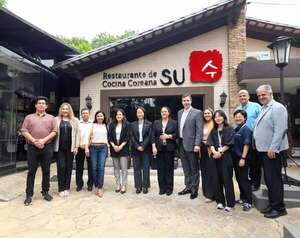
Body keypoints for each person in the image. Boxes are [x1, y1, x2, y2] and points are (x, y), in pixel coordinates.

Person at [253, 84, 288, 219]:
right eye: (259, 95)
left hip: (271, 151)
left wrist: (273, 148)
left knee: (274, 180)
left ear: (271, 94)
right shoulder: (264, 108)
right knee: (269, 179)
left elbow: (280, 130)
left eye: (264, 94)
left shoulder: (278, 108)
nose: (261, 97)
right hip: (263, 150)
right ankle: (273, 205)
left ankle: (279, 208)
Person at [21, 96, 57, 206]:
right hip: (32, 147)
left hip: (46, 147)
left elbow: (54, 131)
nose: (41, 104)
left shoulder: (52, 118)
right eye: (39, 103)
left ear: (46, 106)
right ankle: (29, 194)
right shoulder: (29, 117)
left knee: (46, 170)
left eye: (43, 103)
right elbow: (24, 130)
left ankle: (45, 192)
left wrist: (43, 141)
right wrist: (34, 141)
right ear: (36, 105)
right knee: (31, 171)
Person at [207, 110, 235, 212]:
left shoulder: (229, 129)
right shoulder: (213, 130)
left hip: (226, 157)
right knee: (216, 179)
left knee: (227, 179)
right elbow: (210, 143)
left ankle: (230, 203)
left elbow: (230, 143)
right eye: (216, 117)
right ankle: (220, 201)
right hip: (214, 157)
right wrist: (214, 152)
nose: (217, 118)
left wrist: (220, 152)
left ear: (224, 117)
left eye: (220, 116)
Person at [235, 89, 262, 191]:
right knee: (247, 160)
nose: (242, 98)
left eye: (244, 96)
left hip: (255, 137)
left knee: (255, 161)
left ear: (248, 96)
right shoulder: (237, 109)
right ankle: (248, 182)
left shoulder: (256, 106)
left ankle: (256, 183)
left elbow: (261, 120)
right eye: (240, 96)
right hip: (242, 138)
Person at [177, 93, 202, 199]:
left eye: (187, 100)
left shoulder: (197, 113)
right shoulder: (180, 112)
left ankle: (194, 189)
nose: (186, 102)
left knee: (194, 168)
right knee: (186, 168)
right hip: (181, 144)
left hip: (192, 145)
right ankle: (187, 187)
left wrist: (197, 144)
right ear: (182, 102)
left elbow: (199, 130)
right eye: (184, 101)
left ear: (191, 101)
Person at [54, 103, 80, 197]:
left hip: (70, 148)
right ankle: (61, 188)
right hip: (59, 148)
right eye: (63, 109)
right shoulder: (55, 120)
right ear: (61, 110)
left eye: (67, 109)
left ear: (70, 110)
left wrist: (76, 147)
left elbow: (78, 134)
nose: (65, 110)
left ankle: (66, 188)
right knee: (61, 167)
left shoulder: (75, 120)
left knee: (69, 168)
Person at [152, 107, 177, 196]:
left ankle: (169, 189)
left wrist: (168, 136)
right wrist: (154, 147)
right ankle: (162, 188)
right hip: (159, 149)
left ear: (168, 113)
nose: (163, 113)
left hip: (169, 148)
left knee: (169, 169)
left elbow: (176, 135)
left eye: (165, 111)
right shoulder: (156, 122)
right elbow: (153, 136)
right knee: (160, 169)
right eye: (162, 111)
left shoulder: (173, 122)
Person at [232, 109, 253, 211]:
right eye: (236, 116)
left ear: (245, 118)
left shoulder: (246, 129)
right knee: (239, 179)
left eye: (240, 116)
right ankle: (242, 198)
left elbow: (247, 144)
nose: (238, 118)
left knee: (244, 180)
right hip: (236, 159)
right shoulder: (237, 129)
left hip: (242, 159)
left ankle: (249, 202)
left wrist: (243, 158)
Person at [86, 111, 109, 197]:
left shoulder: (106, 126)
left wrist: (109, 149)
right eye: (98, 116)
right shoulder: (92, 125)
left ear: (104, 117)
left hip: (103, 148)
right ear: (96, 117)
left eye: (101, 116)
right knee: (94, 168)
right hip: (93, 148)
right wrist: (86, 148)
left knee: (101, 168)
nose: (100, 117)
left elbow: (108, 138)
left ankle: (100, 187)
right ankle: (95, 185)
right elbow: (88, 137)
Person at [130, 107, 152, 194]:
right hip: (135, 149)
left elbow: (149, 136)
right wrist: (137, 146)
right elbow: (131, 136)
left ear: (144, 113)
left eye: (141, 112)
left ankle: (145, 186)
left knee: (146, 168)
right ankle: (138, 186)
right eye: (138, 112)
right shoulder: (132, 124)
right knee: (136, 168)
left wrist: (143, 146)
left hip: (146, 149)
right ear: (136, 114)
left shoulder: (149, 124)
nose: (139, 114)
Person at [108, 109, 130, 194]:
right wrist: (113, 145)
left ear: (123, 115)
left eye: (120, 114)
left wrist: (121, 146)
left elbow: (128, 136)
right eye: (117, 115)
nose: (118, 116)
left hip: (123, 148)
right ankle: (118, 184)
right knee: (116, 168)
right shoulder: (112, 125)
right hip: (114, 149)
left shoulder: (127, 125)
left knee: (124, 168)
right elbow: (109, 136)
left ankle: (124, 185)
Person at [200, 108, 217, 203]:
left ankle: (212, 194)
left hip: (211, 149)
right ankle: (206, 192)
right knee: (204, 171)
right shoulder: (202, 124)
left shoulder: (215, 123)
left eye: (209, 113)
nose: (207, 115)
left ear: (212, 114)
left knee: (211, 172)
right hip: (202, 149)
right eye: (205, 113)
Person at [75, 108, 93, 192]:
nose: (85, 114)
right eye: (83, 113)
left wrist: (88, 146)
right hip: (80, 147)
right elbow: (76, 136)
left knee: (91, 167)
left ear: (89, 114)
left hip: (90, 147)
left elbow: (93, 136)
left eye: (86, 113)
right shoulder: (78, 123)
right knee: (79, 167)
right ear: (81, 114)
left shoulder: (93, 123)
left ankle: (90, 184)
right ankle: (79, 185)